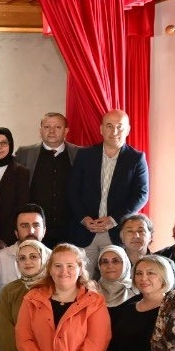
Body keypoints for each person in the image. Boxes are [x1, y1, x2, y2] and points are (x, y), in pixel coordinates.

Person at [16, 243, 111, 351]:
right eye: (58, 266)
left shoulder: (95, 302)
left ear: (80, 269)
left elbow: (95, 345)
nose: (63, 271)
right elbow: (24, 339)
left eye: (70, 266)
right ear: (50, 269)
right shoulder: (31, 298)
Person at [66, 109, 150, 262]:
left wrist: (114, 219)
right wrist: (83, 218)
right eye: (109, 126)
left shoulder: (136, 159)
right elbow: (72, 190)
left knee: (115, 276)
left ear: (128, 130)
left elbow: (141, 195)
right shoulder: (85, 155)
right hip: (84, 231)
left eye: (119, 127)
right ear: (101, 129)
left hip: (116, 232)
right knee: (82, 276)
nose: (114, 131)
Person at [103, 254, 174, 351]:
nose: (143, 278)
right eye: (139, 273)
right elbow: (114, 348)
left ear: (164, 277)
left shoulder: (173, 310)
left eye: (150, 273)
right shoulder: (127, 309)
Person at [0, 239, 51, 351]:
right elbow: (5, 330)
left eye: (33, 257)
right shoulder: (9, 291)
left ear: (44, 259)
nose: (27, 262)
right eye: (22, 258)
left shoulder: (53, 290)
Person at [15, 112, 78, 248]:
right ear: (40, 130)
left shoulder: (79, 153)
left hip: (71, 229)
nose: (51, 131)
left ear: (66, 131)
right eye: (47, 127)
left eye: (57, 127)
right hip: (34, 230)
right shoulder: (24, 154)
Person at [0, 127, 30, 251]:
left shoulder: (20, 171)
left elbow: (20, 207)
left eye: (4, 143)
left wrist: (6, 237)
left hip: (6, 239)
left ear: (10, 145)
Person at [0, 205, 47, 295]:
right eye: (24, 226)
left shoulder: (54, 259)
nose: (31, 231)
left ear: (44, 231)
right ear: (16, 233)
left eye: (36, 225)